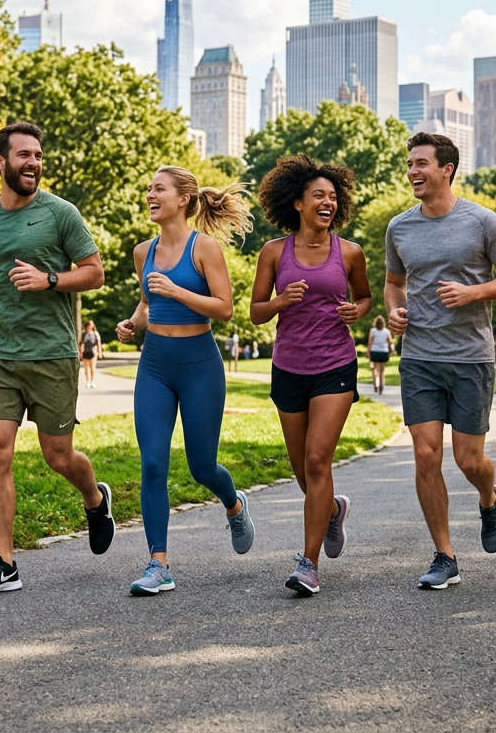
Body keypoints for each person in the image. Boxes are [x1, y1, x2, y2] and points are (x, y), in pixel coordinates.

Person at [0, 121, 115, 597]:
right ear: (0, 162)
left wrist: (50, 280)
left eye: (38, 156)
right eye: (24, 155)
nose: (34, 163)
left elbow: (94, 273)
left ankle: (95, 497)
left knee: (58, 456)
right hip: (0, 354)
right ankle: (4, 564)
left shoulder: (60, 214)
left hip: (52, 353)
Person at [385, 133, 496, 590]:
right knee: (425, 454)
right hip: (419, 356)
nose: (412, 172)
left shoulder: (482, 221)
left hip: (470, 357)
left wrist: (473, 293)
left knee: (469, 460)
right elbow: (393, 281)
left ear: (447, 168)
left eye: (421, 163)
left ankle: (488, 496)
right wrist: (395, 309)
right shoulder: (399, 227)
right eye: (408, 164)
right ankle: (445, 555)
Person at [116, 166, 256, 596]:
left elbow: (225, 308)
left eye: (159, 188)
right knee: (153, 463)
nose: (149, 194)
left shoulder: (204, 248)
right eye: (149, 187)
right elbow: (146, 301)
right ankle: (158, 563)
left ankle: (234, 504)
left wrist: (178, 292)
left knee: (200, 467)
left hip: (199, 365)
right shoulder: (144, 251)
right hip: (155, 363)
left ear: (182, 199)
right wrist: (133, 323)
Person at [250, 154, 372, 596]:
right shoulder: (274, 252)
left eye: (333, 197)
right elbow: (255, 313)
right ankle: (333, 510)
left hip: (335, 366)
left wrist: (354, 311)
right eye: (318, 195)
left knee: (319, 460)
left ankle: (308, 564)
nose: (328, 202)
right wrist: (281, 302)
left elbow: (365, 299)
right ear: (297, 203)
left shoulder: (350, 252)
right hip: (289, 366)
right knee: (304, 469)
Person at [367, 316, 395, 394]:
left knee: (374, 369)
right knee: (382, 371)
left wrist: (368, 352)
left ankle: (375, 385)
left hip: (375, 351)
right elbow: (391, 342)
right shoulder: (386, 331)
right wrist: (392, 349)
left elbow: (370, 343)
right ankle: (381, 387)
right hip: (383, 352)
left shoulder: (373, 331)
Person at [79, 321, 102, 388]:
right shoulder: (83, 333)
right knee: (86, 368)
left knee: (92, 368)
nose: (90, 327)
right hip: (85, 352)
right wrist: (80, 352)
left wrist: (99, 352)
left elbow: (98, 343)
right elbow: (81, 343)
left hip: (93, 352)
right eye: (89, 325)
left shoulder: (95, 333)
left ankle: (92, 381)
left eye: (91, 325)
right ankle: (87, 381)